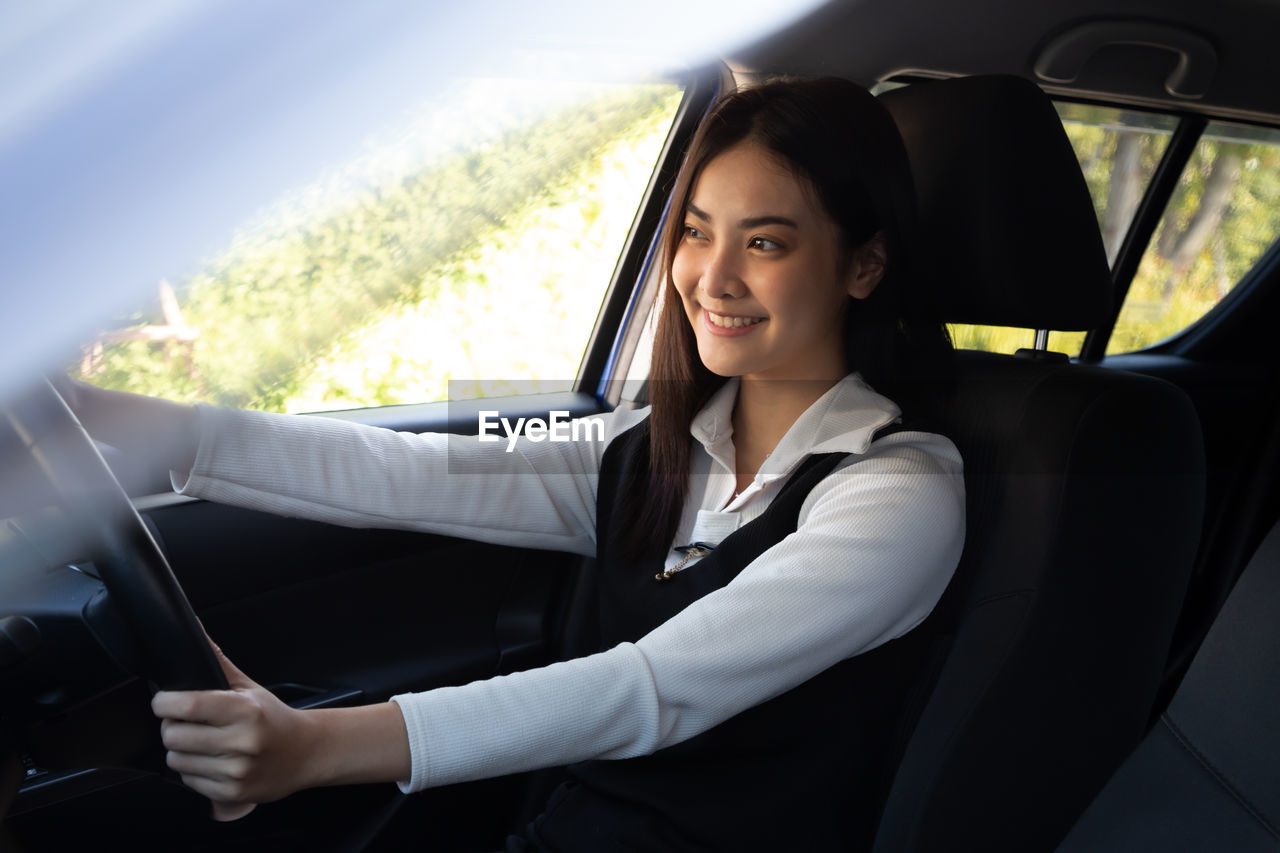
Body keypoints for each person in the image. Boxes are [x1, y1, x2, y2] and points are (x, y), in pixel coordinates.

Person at [66, 77, 964, 850]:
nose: (712, 277)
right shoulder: (643, 446)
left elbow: (649, 687)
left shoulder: (899, 493)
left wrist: (312, 747)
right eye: (696, 232)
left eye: (764, 242)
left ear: (864, 264)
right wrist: (102, 418)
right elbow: (397, 469)